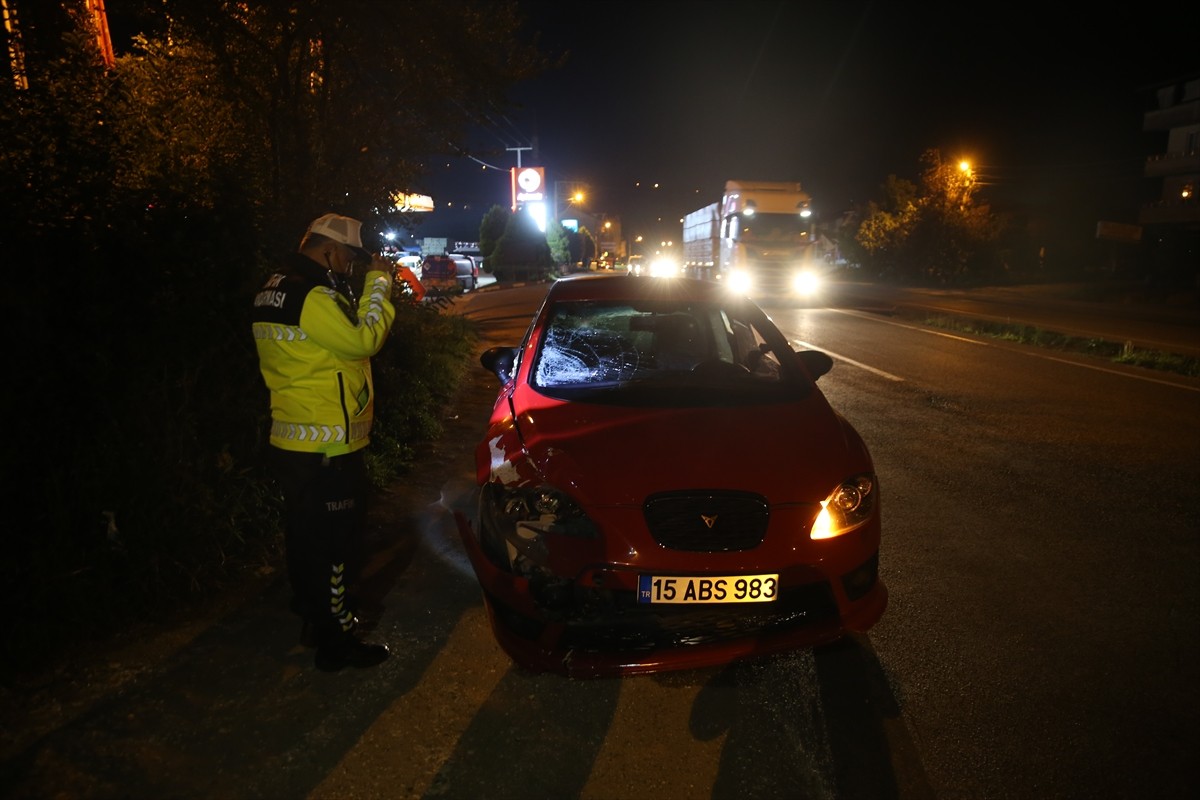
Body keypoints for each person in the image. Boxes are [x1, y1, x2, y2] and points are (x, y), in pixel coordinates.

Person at [250, 213, 396, 672]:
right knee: (337, 546)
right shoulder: (311, 295)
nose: (351, 266)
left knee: (305, 539)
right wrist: (379, 285)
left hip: (294, 436)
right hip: (327, 446)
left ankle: (314, 620)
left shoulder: (274, 287)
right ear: (330, 250)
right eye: (350, 258)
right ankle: (338, 641)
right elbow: (363, 340)